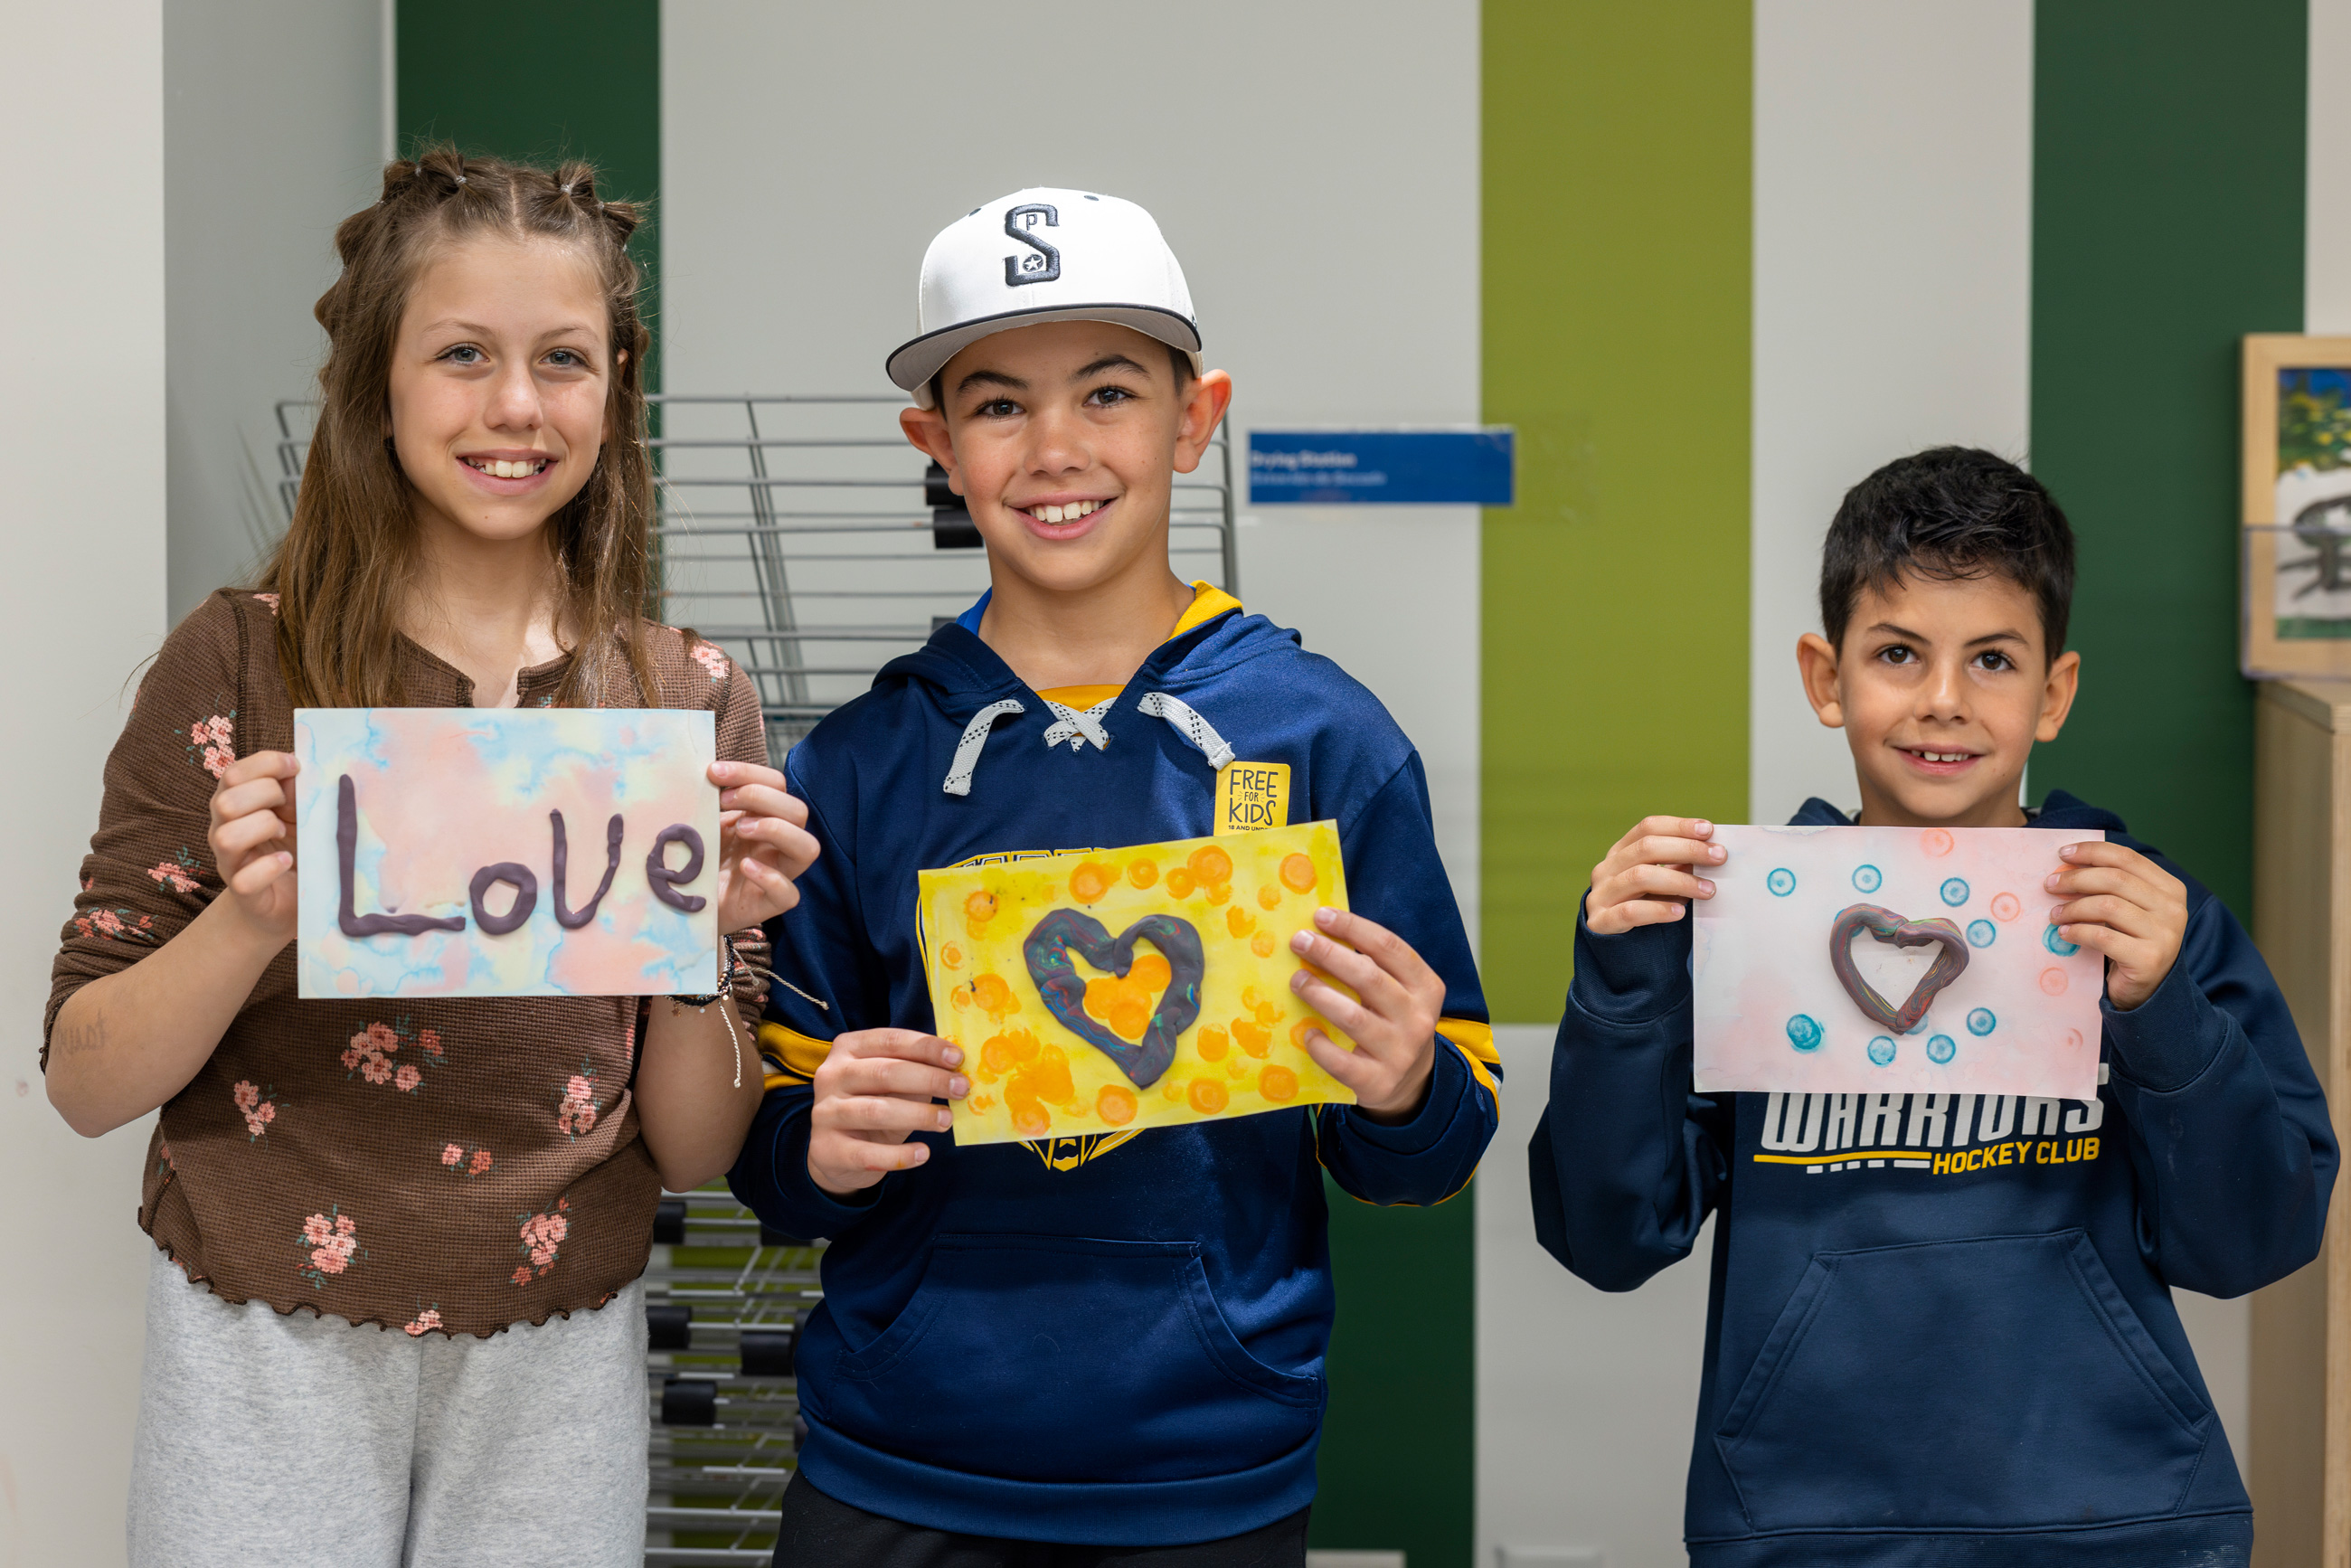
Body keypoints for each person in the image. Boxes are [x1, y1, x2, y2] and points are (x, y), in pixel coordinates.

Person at [44, 147, 817, 1567]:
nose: (515, 405)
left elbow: (701, 1149)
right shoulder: (239, 664)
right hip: (258, 1332)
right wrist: (245, 919)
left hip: (556, 1343)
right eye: (462, 354)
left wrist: (708, 936)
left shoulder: (680, 699)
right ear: (377, 387)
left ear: (615, 391)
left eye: (563, 360)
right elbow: (83, 1079)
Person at [730, 187, 1500, 1565]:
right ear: (937, 444)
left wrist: (1402, 1082)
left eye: (1107, 391)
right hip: (891, 1468)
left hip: (1208, 1475)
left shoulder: (1326, 738)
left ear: (1194, 418)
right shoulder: (850, 766)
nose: (1057, 446)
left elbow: (1431, 1149)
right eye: (999, 404)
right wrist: (818, 1141)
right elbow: (775, 1157)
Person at [1531, 445, 2337, 1565]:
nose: (1943, 702)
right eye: (1897, 653)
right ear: (1826, 677)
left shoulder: (2146, 919)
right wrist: (1623, 988)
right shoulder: (1742, 927)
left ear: (2052, 692)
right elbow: (1607, 1239)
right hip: (1805, 1528)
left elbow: (2255, 1240)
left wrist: (2165, 1015)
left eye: (1994, 659)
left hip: (2117, 1523)